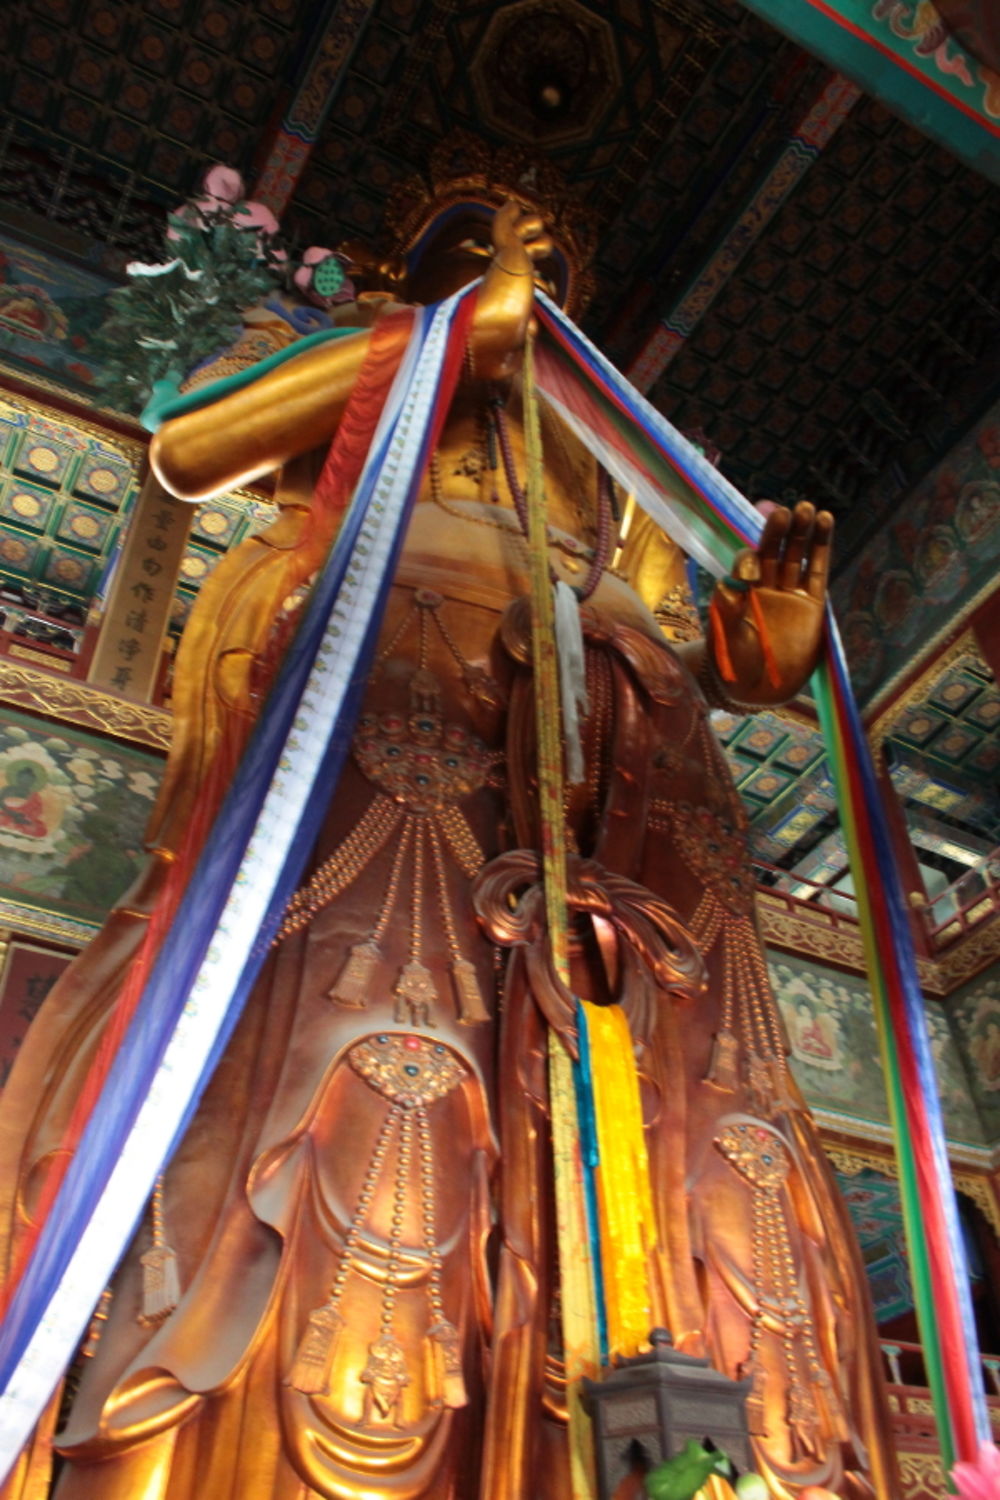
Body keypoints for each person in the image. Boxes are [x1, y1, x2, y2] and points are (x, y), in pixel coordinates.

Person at [0, 165, 897, 1500]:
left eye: (532, 266)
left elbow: (675, 631)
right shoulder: (377, 362)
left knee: (695, 1133)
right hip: (392, 680)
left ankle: (674, 1456)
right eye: (467, 249)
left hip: (614, 778)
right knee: (364, 1064)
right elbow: (187, 446)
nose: (515, 271)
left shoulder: (601, 467)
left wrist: (762, 650)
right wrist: (444, 346)